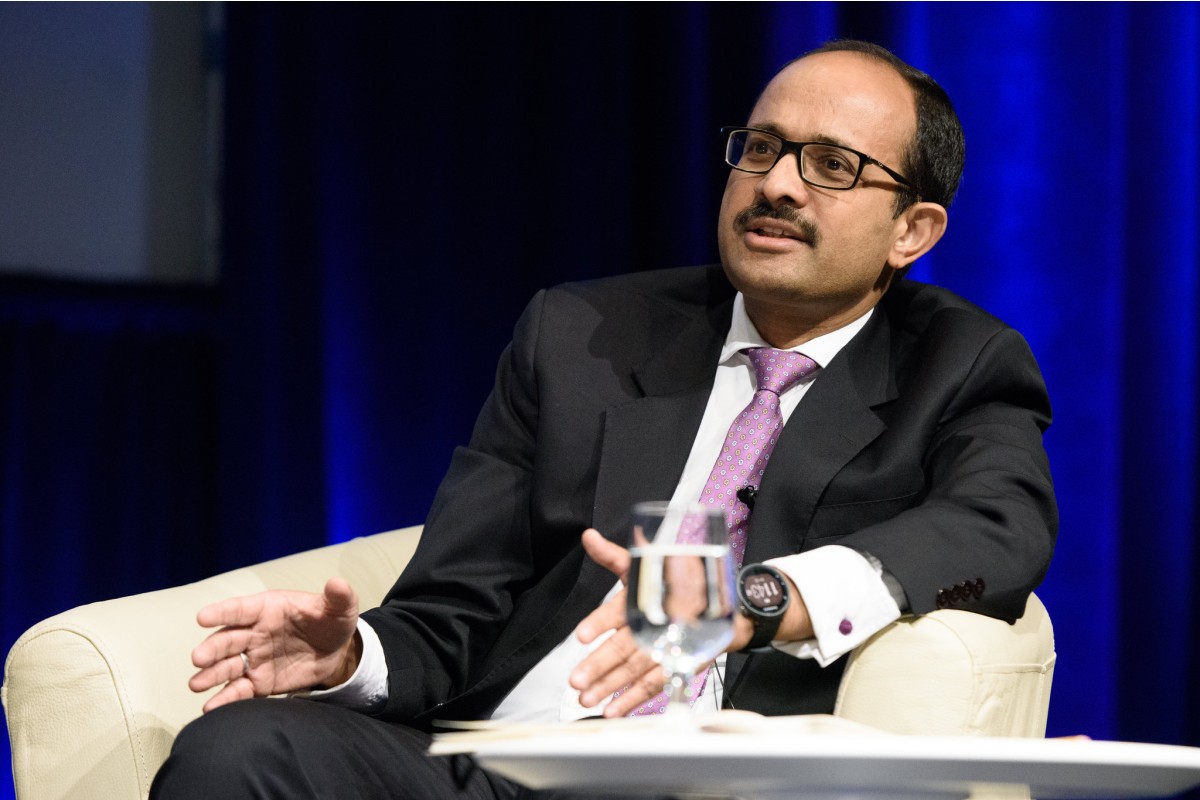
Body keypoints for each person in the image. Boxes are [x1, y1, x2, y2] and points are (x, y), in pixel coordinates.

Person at [151, 39, 1057, 799]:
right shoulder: (581, 334)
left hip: (715, 777)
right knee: (238, 751)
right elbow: (455, 605)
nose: (778, 184)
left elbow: (997, 525)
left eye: (831, 165)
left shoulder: (960, 364)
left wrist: (750, 601)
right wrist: (350, 657)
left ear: (912, 231)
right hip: (506, 763)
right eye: (761, 148)